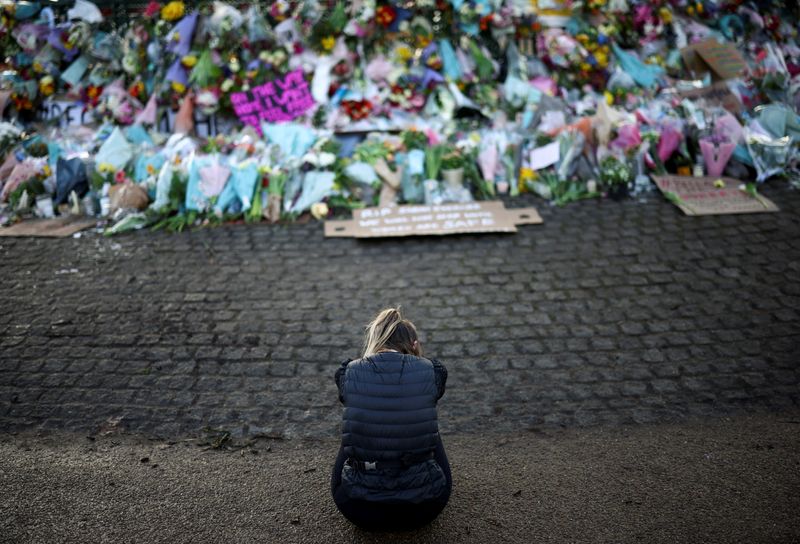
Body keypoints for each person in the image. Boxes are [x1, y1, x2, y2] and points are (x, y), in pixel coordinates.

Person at [331, 308, 452, 531]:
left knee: (357, 425)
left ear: (375, 340)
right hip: (425, 507)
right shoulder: (431, 371)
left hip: (357, 508)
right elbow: (436, 388)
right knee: (425, 426)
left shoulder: (349, 372)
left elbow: (344, 394)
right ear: (414, 345)